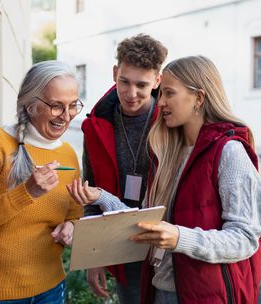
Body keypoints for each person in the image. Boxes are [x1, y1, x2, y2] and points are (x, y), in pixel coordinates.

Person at [68, 55, 261, 304]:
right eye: (161, 94)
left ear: (199, 98)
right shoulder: (168, 152)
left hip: (204, 295)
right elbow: (147, 221)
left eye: (168, 93)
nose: (159, 102)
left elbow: (246, 238)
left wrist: (179, 238)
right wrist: (102, 197)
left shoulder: (230, 153)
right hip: (160, 289)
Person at [0, 60, 84, 303]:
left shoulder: (68, 154)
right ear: (30, 104)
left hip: (50, 288)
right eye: (56, 106)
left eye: (73, 106)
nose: (66, 117)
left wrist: (72, 228)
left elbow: (74, 215)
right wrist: (27, 192)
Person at [80, 33, 168, 303]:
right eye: (124, 82)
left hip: (168, 242)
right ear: (115, 72)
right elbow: (91, 191)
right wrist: (95, 256)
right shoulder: (96, 125)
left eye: (142, 85)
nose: (131, 94)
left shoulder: (171, 120)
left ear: (157, 80)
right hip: (123, 243)